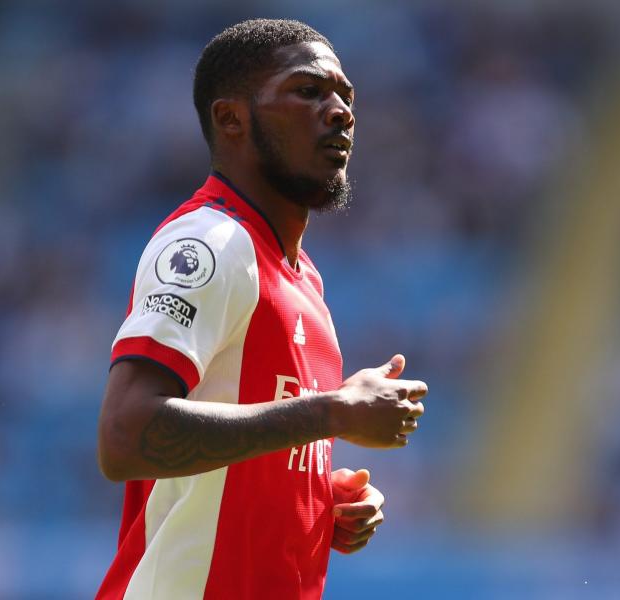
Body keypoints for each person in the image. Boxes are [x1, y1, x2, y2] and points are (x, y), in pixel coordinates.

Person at [94, 19, 428, 600]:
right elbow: (126, 435)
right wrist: (332, 415)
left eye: (346, 97)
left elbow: (242, 447)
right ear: (231, 119)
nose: (341, 112)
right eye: (308, 91)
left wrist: (318, 501)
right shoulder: (210, 243)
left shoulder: (306, 281)